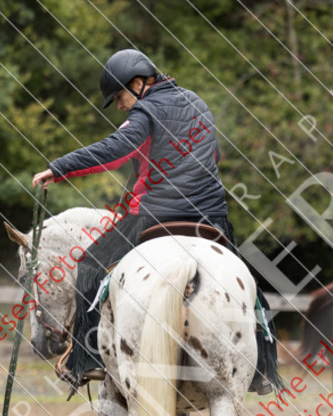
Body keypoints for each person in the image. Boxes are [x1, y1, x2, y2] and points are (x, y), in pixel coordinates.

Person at [31, 49, 281, 394]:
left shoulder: (144, 112)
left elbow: (115, 150)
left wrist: (60, 168)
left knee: (88, 267)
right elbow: (213, 155)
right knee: (250, 287)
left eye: (118, 96)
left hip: (156, 214)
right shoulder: (197, 103)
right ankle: (264, 369)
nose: (119, 105)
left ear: (137, 84)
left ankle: (86, 361)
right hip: (211, 215)